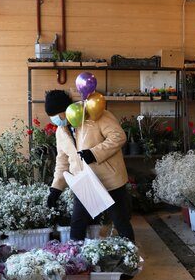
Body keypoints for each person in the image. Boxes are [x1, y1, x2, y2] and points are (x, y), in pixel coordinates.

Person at [44, 89, 135, 242]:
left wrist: (94, 153)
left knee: (121, 222)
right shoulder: (61, 131)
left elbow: (118, 136)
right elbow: (62, 161)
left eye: (59, 115)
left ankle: (131, 259)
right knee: (77, 226)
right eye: (54, 117)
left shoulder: (96, 115)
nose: (57, 120)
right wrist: (55, 189)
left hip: (110, 181)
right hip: (85, 183)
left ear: (68, 110)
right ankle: (76, 261)